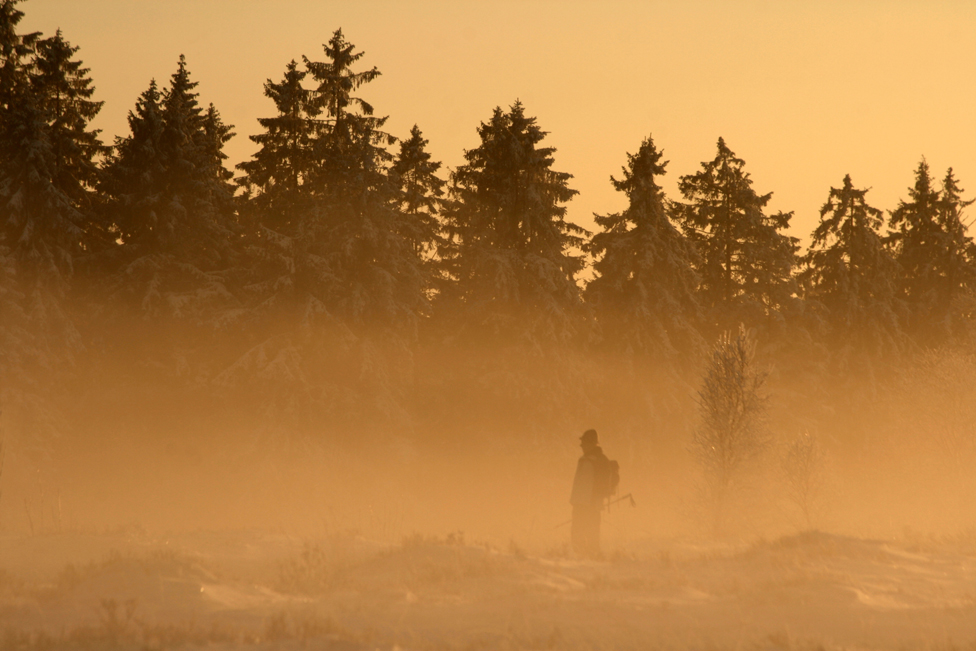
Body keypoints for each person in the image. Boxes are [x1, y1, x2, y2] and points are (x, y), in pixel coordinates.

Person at [570, 428, 611, 557]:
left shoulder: (597, 460)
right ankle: (583, 557)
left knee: (589, 533)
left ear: (592, 443)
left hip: (590, 504)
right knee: (580, 533)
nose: (581, 446)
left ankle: (592, 557)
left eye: (584, 443)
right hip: (581, 504)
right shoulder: (586, 459)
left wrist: (592, 501)